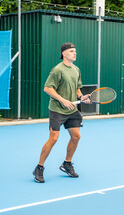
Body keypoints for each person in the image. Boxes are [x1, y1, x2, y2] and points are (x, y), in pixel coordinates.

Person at [33, 42, 90, 183]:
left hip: (72, 109)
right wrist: (63, 100)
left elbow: (77, 88)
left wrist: (82, 97)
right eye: (71, 51)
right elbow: (47, 88)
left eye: (75, 51)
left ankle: (67, 164)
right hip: (57, 110)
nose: (74, 53)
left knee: (76, 136)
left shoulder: (76, 69)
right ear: (64, 53)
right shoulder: (57, 70)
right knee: (54, 138)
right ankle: (39, 168)